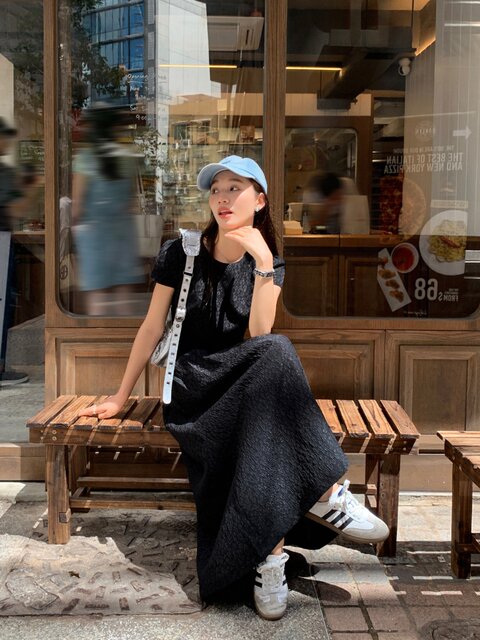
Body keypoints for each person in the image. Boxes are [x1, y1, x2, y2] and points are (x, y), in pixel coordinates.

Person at [79, 155, 388, 620]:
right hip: (191, 384)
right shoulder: (181, 252)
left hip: (239, 381)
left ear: (259, 200)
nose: (222, 199)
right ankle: (328, 493)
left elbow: (258, 334)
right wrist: (120, 396)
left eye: (234, 189)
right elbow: (151, 326)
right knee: (276, 357)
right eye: (216, 190)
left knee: (271, 379)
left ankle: (270, 561)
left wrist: (262, 262)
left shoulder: (269, 261)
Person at [72, 106, 144, 315]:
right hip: (123, 231)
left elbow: (77, 205)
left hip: (93, 232)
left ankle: (98, 335)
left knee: (97, 295)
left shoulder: (85, 159)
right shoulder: (128, 156)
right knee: (124, 294)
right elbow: (131, 201)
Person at [0, 117, 29, 386]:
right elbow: (18, 209)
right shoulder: (4, 173)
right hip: (2, 241)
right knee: (3, 302)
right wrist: (30, 185)